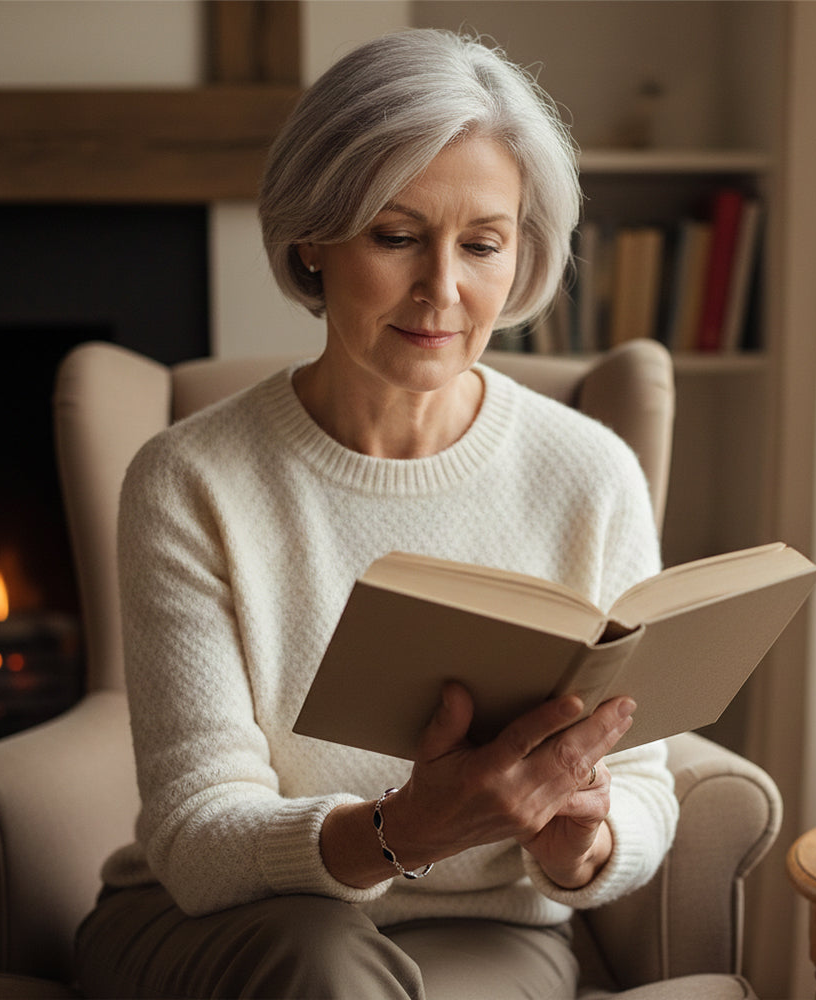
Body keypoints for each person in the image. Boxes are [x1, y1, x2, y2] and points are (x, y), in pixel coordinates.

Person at [74, 29, 679, 1000]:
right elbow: (196, 833)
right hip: (220, 924)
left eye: (481, 244)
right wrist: (407, 829)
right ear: (311, 236)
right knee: (324, 968)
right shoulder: (192, 477)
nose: (442, 289)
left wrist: (582, 843)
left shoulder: (588, 472)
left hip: (480, 928)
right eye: (395, 236)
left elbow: (644, 780)